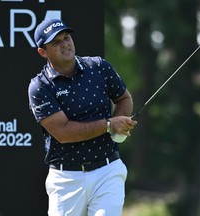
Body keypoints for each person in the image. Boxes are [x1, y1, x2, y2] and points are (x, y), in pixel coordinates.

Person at [28, 18, 137, 216]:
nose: (65, 44)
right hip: (66, 179)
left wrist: (118, 129)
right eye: (56, 42)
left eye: (67, 38)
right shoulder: (40, 87)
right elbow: (63, 132)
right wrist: (109, 125)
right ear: (43, 52)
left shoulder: (99, 67)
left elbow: (123, 98)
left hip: (107, 170)